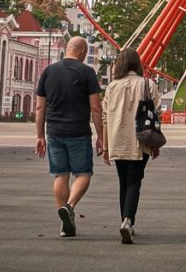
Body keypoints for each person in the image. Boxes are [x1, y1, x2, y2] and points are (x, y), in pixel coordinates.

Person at [35, 36, 105, 238]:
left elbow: (40, 107)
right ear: (83, 51)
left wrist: (40, 135)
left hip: (54, 132)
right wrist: (101, 136)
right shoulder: (87, 72)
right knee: (83, 174)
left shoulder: (48, 71)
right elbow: (96, 107)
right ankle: (70, 206)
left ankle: (64, 222)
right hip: (78, 132)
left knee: (60, 175)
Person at [101, 48, 160, 244]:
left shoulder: (111, 87)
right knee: (135, 181)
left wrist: (105, 145)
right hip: (140, 140)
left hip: (118, 139)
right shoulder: (148, 84)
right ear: (137, 64)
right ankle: (128, 221)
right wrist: (155, 144)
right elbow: (156, 114)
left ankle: (125, 221)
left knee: (123, 182)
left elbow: (104, 117)